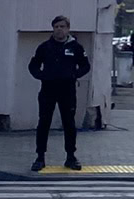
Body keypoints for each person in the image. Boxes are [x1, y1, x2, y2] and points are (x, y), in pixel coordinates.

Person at [27, 16, 91, 172]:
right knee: (44, 123)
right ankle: (40, 157)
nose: (59, 29)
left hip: (67, 90)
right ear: (53, 29)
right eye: (56, 26)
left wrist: (74, 75)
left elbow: (85, 66)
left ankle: (71, 157)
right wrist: (41, 75)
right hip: (48, 90)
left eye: (62, 26)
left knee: (69, 124)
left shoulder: (75, 47)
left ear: (68, 28)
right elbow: (33, 65)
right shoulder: (45, 47)